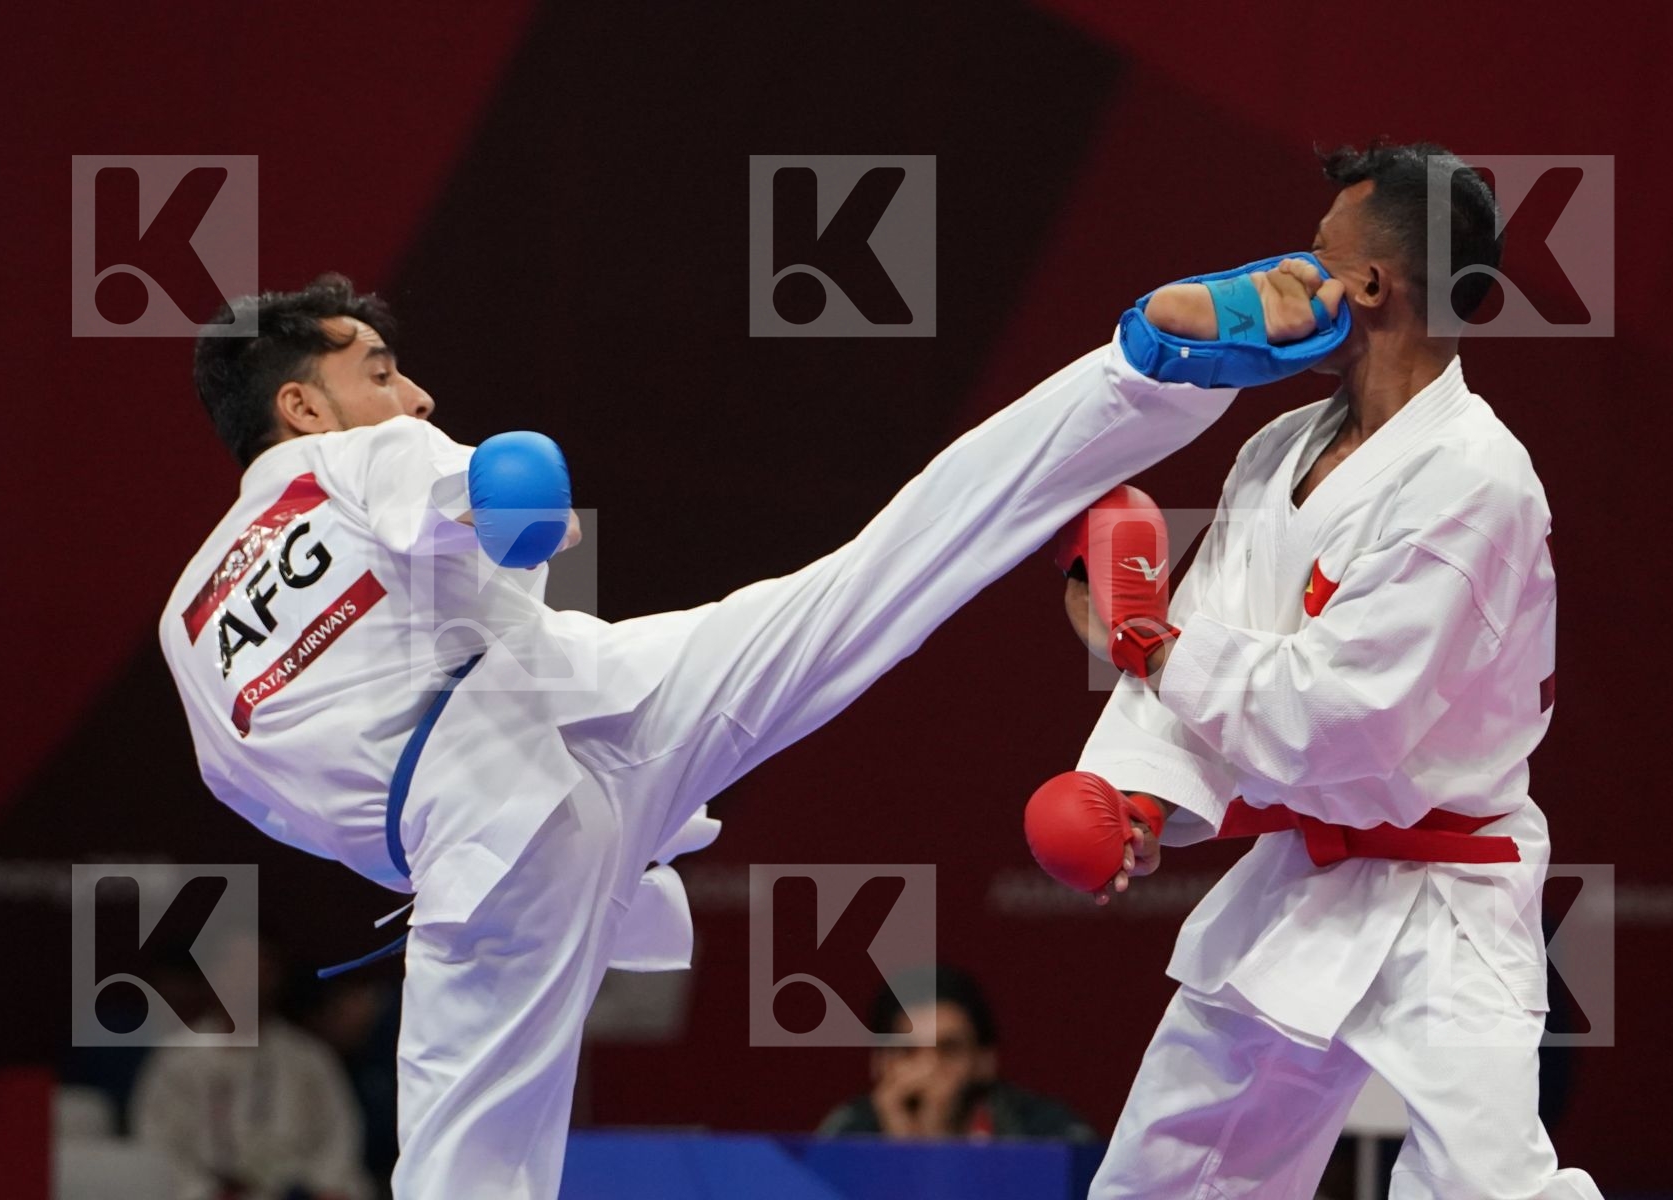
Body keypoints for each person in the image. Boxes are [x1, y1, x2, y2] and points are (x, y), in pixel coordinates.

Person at [159, 261, 1334, 1199]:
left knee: (463, 1176)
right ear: (301, 406)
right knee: (881, 575)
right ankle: (1150, 369)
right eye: (381, 370)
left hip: (498, 808)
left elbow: (277, 802)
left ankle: (1151, 369)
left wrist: (500, 867)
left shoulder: (186, 632)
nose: (414, 396)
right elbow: (506, 486)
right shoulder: (354, 460)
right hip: (581, 718)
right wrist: (511, 509)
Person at [1027, 141, 1601, 1197]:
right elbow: (1195, 637)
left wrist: (1148, 639)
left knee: (1488, 1191)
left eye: (1318, 256)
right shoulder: (1279, 447)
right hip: (1303, 877)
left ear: (1373, 284)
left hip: (1450, 896)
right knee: (1168, 1173)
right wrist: (1139, 799)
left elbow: (1343, 717)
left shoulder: (1476, 481)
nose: (1295, 278)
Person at [130, 934, 372, 1200]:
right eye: (237, 968)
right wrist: (204, 1191)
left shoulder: (308, 1057)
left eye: (260, 969)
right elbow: (156, 1141)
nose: (249, 981)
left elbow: (338, 1136)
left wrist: (323, 1186)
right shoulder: (178, 1058)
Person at [817, 964, 1095, 1141]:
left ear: (984, 1061)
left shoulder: (1046, 1136)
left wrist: (936, 1145)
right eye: (907, 1051)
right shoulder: (845, 1135)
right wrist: (900, 1151)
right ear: (880, 1062)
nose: (928, 1068)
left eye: (949, 1049)